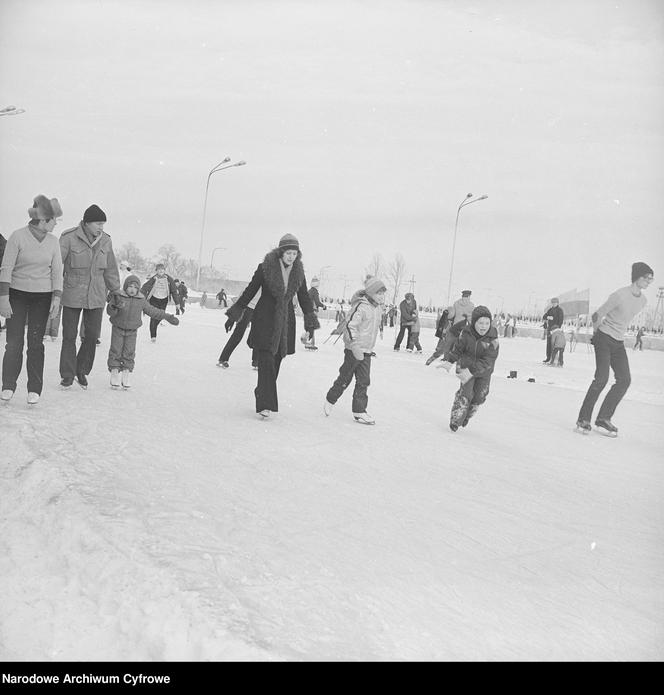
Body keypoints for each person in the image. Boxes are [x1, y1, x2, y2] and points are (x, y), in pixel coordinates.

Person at [224, 233, 317, 418]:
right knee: (266, 358)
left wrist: (310, 320)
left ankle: (262, 391)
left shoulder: (298, 272)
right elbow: (251, 290)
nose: (291, 256)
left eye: (294, 253)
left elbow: (304, 298)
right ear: (281, 252)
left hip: (285, 320)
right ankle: (265, 404)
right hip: (265, 316)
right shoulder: (266, 267)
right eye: (288, 253)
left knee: (277, 359)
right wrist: (235, 313)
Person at [576, 262, 654, 436]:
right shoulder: (619, 295)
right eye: (647, 278)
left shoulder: (643, 301)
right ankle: (583, 418)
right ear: (638, 277)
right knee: (601, 379)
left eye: (651, 279)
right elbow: (597, 315)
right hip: (603, 337)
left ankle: (603, 418)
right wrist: (596, 335)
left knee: (624, 380)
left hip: (618, 342)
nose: (649, 281)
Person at [0, 195, 64, 404]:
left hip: (42, 297)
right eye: (54, 219)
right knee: (13, 342)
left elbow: (57, 271)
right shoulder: (18, 237)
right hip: (17, 294)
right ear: (44, 219)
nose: (56, 223)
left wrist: (56, 297)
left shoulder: (53, 242)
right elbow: (6, 268)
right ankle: (8, 385)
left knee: (36, 343)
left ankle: (34, 388)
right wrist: (3, 298)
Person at [59, 204, 121, 389]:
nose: (101, 227)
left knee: (92, 336)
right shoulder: (68, 238)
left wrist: (116, 290)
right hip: (72, 293)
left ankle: (81, 370)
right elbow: (56, 265)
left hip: (96, 295)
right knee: (69, 335)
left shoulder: (106, 241)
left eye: (103, 223)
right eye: (98, 223)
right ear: (86, 223)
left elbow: (110, 268)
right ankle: (68, 374)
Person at [323, 277, 387, 424]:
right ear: (370, 293)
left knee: (364, 381)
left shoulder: (377, 308)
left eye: (383, 293)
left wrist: (368, 348)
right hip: (354, 350)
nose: (381, 296)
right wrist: (355, 345)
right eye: (378, 293)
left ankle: (359, 411)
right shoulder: (361, 307)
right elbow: (350, 326)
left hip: (366, 351)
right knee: (345, 378)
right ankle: (330, 399)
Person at [106, 274, 179, 389]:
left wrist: (167, 316)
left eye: (135, 287)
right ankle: (114, 373)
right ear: (125, 286)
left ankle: (126, 374)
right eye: (130, 286)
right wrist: (113, 305)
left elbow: (152, 311)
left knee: (129, 352)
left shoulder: (141, 300)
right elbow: (110, 312)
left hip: (132, 331)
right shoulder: (119, 296)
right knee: (115, 351)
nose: (132, 289)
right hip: (117, 329)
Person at [435, 305, 499, 432]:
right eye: (480, 323)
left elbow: (489, 360)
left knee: (480, 397)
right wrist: (450, 361)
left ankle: (467, 415)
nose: (483, 326)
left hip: (483, 372)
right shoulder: (466, 333)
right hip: (465, 368)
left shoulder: (493, 339)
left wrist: (472, 371)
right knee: (466, 394)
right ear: (474, 322)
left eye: (487, 323)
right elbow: (458, 349)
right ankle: (456, 419)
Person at [218, 290, 260, 368]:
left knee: (258, 335)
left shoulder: (271, 283)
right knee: (238, 334)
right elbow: (242, 296)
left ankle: (256, 361)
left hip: (260, 309)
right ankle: (223, 359)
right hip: (247, 308)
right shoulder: (257, 281)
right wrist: (232, 318)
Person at [140, 263, 180, 342]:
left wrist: (177, 303)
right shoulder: (154, 278)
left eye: (162, 269)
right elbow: (145, 287)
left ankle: (154, 328)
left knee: (160, 315)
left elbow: (174, 291)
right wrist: (140, 296)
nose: (161, 271)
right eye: (159, 269)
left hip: (164, 300)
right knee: (153, 316)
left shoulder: (169, 279)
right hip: (154, 299)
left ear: (164, 270)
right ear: (156, 271)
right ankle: (153, 336)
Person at [305, 276, 326, 349]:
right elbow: (317, 302)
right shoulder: (315, 292)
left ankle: (307, 340)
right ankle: (310, 343)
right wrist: (323, 306)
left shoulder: (309, 291)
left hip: (308, 311)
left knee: (309, 326)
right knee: (312, 327)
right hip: (313, 311)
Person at [542, 297, 564, 363]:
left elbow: (560, 320)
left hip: (555, 329)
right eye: (553, 303)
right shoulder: (550, 309)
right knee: (549, 343)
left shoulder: (560, 310)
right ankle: (548, 357)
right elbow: (544, 316)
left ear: (557, 303)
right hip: (549, 329)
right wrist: (548, 317)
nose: (554, 304)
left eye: (555, 303)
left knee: (555, 344)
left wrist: (557, 328)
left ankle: (554, 359)